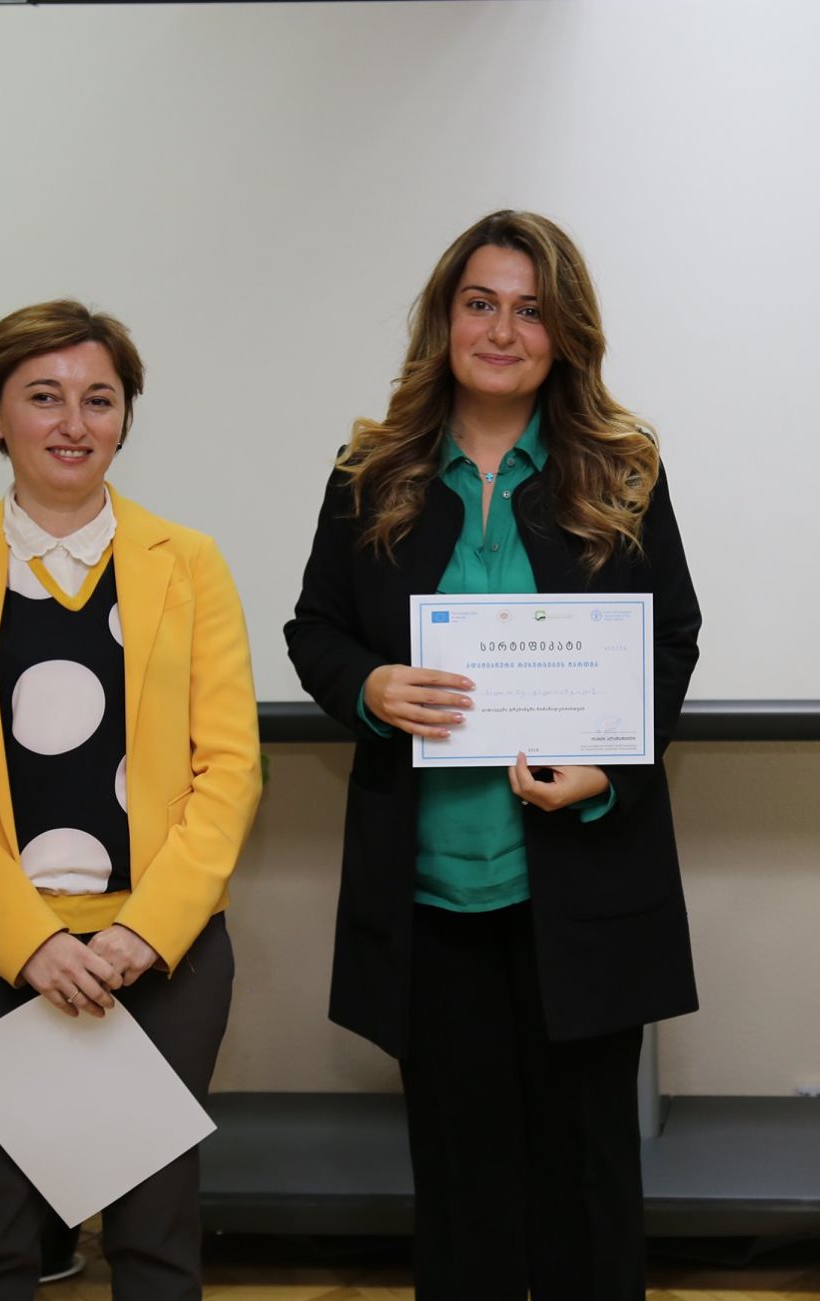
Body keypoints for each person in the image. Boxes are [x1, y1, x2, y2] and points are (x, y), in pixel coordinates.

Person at [286, 209, 701, 1299]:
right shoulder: (370, 471)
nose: (503, 331)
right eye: (481, 304)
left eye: (531, 310)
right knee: (462, 1191)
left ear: (565, 335)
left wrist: (613, 766)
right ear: (445, 319)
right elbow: (314, 629)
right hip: (428, 897)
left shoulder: (622, 469)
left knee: (587, 1187)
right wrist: (370, 686)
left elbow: (672, 637)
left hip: (581, 888)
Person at [0, 299, 261, 1299]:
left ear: (124, 418)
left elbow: (230, 767)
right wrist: (31, 943)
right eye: (43, 397)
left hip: (160, 954)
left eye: (99, 399)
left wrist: (145, 930)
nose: (74, 422)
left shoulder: (188, 564)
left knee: (156, 1245)